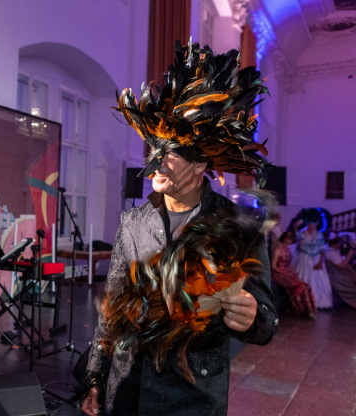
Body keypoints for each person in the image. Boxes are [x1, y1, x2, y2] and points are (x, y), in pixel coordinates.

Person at [82, 40, 277, 416]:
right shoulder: (133, 222)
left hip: (193, 396)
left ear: (200, 161)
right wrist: (95, 376)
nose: (155, 162)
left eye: (170, 151)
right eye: (154, 146)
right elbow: (112, 311)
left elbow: (266, 318)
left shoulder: (238, 227)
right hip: (129, 389)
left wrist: (254, 318)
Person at [271, 232, 316, 318]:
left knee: (306, 285)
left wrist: (291, 273)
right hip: (279, 274)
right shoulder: (278, 250)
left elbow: (289, 264)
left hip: (288, 273)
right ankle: (299, 310)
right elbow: (273, 266)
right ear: (284, 238)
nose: (289, 240)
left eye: (290, 239)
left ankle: (307, 310)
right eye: (287, 238)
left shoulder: (288, 249)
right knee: (299, 286)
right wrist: (284, 272)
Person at [295, 212, 333, 309]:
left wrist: (320, 262)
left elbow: (322, 249)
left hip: (316, 259)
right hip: (305, 258)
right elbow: (298, 249)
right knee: (305, 278)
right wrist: (299, 244)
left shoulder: (319, 235)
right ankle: (305, 304)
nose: (311, 226)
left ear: (316, 224)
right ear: (307, 224)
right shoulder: (301, 234)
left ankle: (319, 303)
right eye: (310, 224)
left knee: (319, 280)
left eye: (313, 224)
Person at [326, 237, 356, 308]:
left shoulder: (335, 252)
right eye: (338, 243)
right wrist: (351, 251)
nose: (340, 245)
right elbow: (342, 265)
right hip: (336, 276)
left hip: (339, 272)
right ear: (333, 244)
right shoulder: (332, 253)